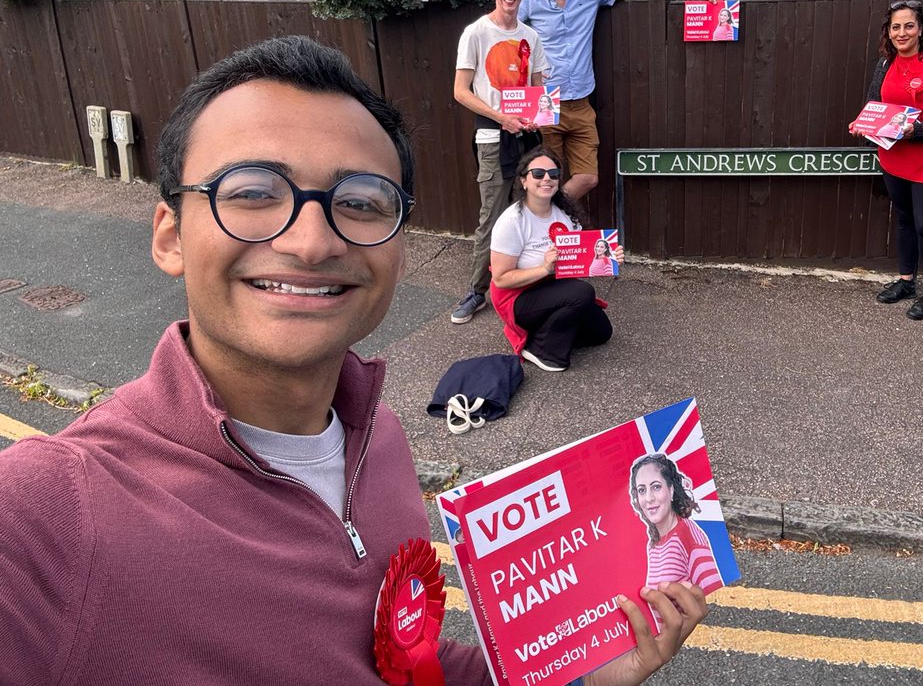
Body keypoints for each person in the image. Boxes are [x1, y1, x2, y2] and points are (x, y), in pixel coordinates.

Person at [0, 37, 708, 684]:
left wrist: (581, 671)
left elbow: (409, 669)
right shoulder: (51, 511)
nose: (311, 241)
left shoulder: (383, 444)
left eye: (361, 202)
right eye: (252, 192)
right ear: (170, 235)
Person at [520, 0, 726, 199]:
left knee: (587, 178)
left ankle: (551, 214)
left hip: (581, 103)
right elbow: (506, 35)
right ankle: (541, 229)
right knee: (542, 179)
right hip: (545, 103)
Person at [450, 0, 549, 325]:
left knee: (528, 212)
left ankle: (521, 284)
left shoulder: (531, 36)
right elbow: (461, 92)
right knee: (492, 217)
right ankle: (477, 291)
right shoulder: (476, 33)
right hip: (493, 138)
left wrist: (536, 114)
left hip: (527, 138)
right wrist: (502, 118)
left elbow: (538, 89)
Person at [849, 0, 923, 320]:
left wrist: (917, 132)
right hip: (893, 158)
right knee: (903, 219)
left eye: (908, 25)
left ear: (921, 29)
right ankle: (906, 281)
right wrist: (862, 124)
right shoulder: (884, 64)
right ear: (889, 31)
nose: (902, 32)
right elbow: (873, 104)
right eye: (895, 26)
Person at [489, 147, 623, 372]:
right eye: (538, 173)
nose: (547, 179)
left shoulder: (564, 212)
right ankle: (540, 349)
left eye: (553, 174)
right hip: (516, 296)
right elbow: (501, 279)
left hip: (552, 288)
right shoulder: (512, 220)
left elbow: (580, 259)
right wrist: (544, 268)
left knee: (601, 333)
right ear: (524, 181)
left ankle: (546, 328)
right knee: (582, 293)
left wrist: (611, 257)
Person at [629, 455, 721, 599]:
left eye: (656, 487)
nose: (649, 498)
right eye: (642, 490)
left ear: (671, 490)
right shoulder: (653, 544)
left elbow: (711, 593)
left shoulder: (688, 537)